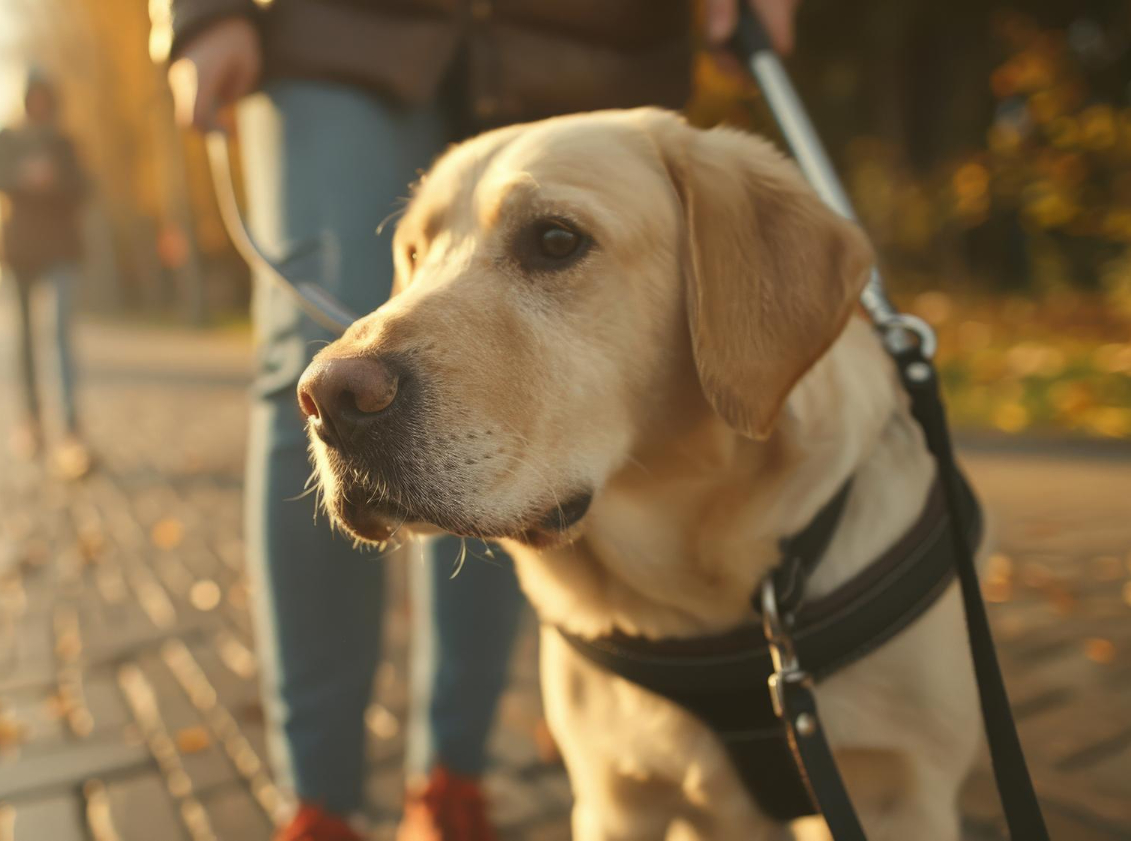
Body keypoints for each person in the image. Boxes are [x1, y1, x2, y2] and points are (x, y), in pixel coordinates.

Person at [161, 1, 801, 838]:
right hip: (331, 27)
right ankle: (319, 804)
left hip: (582, 30)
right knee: (325, 356)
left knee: (517, 434)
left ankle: (452, 778)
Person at [0, 68, 92, 479]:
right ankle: (30, 422)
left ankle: (69, 430)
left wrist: (55, 180)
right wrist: (24, 178)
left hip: (61, 251)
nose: (38, 105)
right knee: (25, 341)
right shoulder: (2, 141)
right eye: (32, 98)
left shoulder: (64, 144)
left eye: (44, 98)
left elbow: (84, 187)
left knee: (61, 338)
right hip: (18, 254)